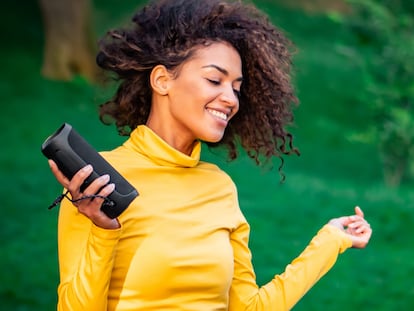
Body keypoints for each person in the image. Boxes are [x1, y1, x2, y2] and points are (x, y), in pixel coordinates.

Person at [46, 0, 373, 310]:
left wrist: (330, 240)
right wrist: (103, 231)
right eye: (214, 79)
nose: (230, 98)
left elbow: (248, 307)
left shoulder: (220, 188)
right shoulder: (98, 182)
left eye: (236, 88)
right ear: (162, 80)